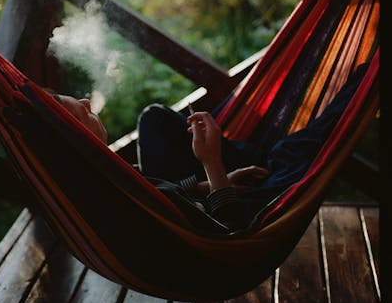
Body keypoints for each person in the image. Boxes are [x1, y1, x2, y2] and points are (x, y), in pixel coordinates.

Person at [50, 63, 369, 234]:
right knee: (296, 150)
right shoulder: (114, 194)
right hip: (239, 216)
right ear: (77, 138)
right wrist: (212, 163)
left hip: (216, 189)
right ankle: (368, 78)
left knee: (154, 119)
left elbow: (164, 194)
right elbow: (232, 230)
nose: (86, 101)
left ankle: (266, 152)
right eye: (79, 111)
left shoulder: (103, 177)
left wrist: (220, 179)